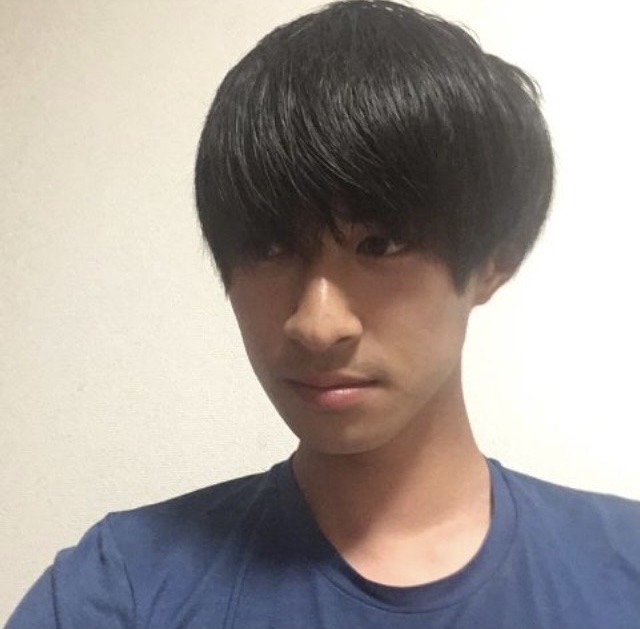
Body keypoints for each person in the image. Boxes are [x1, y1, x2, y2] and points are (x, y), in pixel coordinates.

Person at [6, 1, 640, 627]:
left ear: (494, 263)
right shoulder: (120, 588)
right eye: (270, 248)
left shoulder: (623, 568)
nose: (316, 324)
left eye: (380, 245)